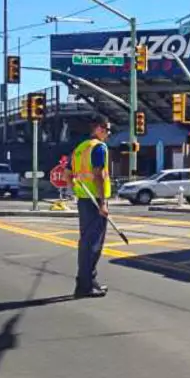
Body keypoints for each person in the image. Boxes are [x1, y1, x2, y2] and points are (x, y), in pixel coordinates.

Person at [71, 115, 112, 298]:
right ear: (96, 128)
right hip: (95, 200)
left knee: (86, 242)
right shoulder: (98, 148)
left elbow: (67, 175)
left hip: (84, 199)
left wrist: (78, 190)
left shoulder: (80, 148)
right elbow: (99, 175)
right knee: (93, 244)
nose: (108, 133)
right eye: (106, 129)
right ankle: (85, 286)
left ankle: (86, 282)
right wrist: (102, 203)